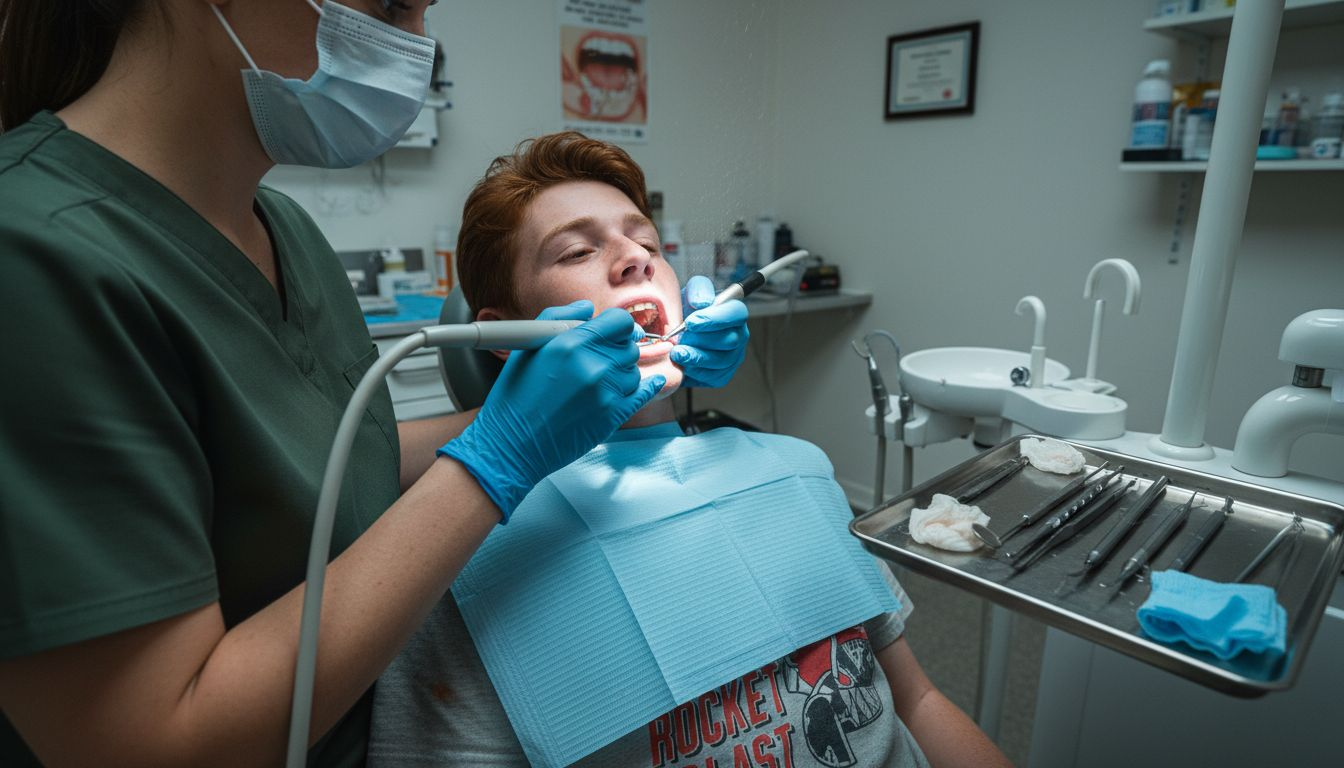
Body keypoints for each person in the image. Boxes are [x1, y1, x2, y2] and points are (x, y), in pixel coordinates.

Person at [0, 3, 748, 765]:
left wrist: (558, 416)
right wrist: (499, 458)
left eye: (645, 242)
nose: (413, 42)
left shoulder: (282, 230)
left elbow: (329, 461)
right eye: (390, 4)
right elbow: (157, 744)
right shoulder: (32, 256)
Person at [368, 133, 1012, 768]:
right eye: (576, 252)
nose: (634, 258)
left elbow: (916, 701)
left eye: (647, 241)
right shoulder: (457, 547)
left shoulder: (797, 471)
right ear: (510, 336)